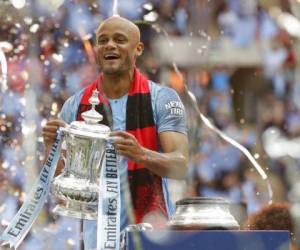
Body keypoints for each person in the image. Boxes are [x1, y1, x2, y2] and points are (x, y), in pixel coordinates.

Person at [42, 16, 188, 249]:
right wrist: (51, 146)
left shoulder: (162, 98)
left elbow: (181, 165)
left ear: (138, 48)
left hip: (150, 232)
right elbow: (62, 186)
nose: (110, 45)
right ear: (97, 49)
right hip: (97, 238)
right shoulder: (75, 105)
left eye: (120, 40)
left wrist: (141, 154)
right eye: (103, 40)